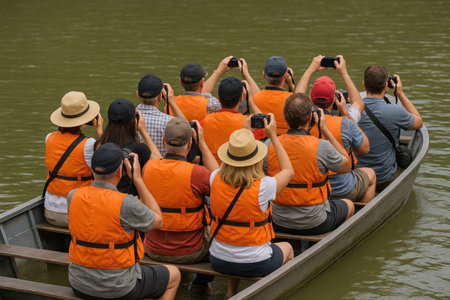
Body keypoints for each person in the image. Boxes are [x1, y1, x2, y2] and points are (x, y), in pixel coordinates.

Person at [67, 143, 180, 300]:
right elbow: (158, 221)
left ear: (92, 169)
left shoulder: (73, 196)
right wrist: (138, 180)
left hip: (79, 284)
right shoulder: (125, 204)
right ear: (120, 171)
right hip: (118, 288)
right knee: (174, 275)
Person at [209, 116, 294, 298]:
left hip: (218, 259)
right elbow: (288, 171)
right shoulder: (264, 186)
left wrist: (243, 133)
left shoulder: (214, 178)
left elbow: (228, 164)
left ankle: (231, 292)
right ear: (255, 158)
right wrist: (274, 137)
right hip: (256, 263)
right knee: (288, 248)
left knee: (236, 241)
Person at [142, 117, 219, 294]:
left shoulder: (148, 168)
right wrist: (204, 144)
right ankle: (201, 284)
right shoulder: (197, 173)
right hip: (191, 252)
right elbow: (220, 183)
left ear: (163, 141)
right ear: (191, 143)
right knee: (219, 230)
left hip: (152, 248)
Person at [265, 93, 355, 235]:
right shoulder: (321, 146)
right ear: (310, 118)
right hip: (314, 221)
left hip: (277, 220)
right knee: (349, 205)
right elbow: (346, 166)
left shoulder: (270, 144)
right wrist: (325, 129)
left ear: (285, 117)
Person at [308, 76, 376, 203]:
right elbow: (365, 149)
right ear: (334, 99)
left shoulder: (301, 123)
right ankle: (362, 212)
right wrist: (344, 112)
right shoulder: (344, 123)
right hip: (342, 188)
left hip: (314, 189)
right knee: (370, 174)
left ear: (311, 99)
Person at [356, 66, 423, 190]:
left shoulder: (351, 110)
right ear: (386, 87)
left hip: (356, 178)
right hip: (383, 178)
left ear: (364, 85)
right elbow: (418, 122)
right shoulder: (396, 111)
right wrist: (400, 94)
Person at [44, 91, 103, 228]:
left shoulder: (49, 138)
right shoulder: (89, 145)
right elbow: (109, 160)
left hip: (50, 213)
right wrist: (99, 130)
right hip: (78, 214)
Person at [95, 98, 161, 196]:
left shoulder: (99, 145)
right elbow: (162, 166)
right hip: (130, 202)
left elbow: (107, 145)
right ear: (133, 121)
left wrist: (99, 130)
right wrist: (143, 132)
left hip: (104, 198)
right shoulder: (139, 149)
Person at [202, 76, 264, 164]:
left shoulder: (205, 121)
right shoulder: (248, 123)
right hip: (238, 171)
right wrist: (250, 99)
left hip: (212, 171)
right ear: (241, 98)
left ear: (218, 98)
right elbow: (266, 126)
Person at [295, 55, 364, 123]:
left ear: (310, 95)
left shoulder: (303, 118)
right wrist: (344, 73)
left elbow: (296, 100)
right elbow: (358, 103)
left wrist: (309, 71)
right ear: (334, 99)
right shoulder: (345, 124)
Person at [136, 73, 186, 156]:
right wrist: (171, 102)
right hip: (161, 168)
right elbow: (187, 133)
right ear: (160, 97)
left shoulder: (127, 118)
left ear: (138, 95)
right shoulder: (169, 122)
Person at [253, 56, 295, 135]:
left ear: (264, 75)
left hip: (263, 143)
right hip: (284, 142)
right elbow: (301, 103)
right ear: (286, 76)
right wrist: (291, 86)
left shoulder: (256, 97)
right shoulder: (291, 100)